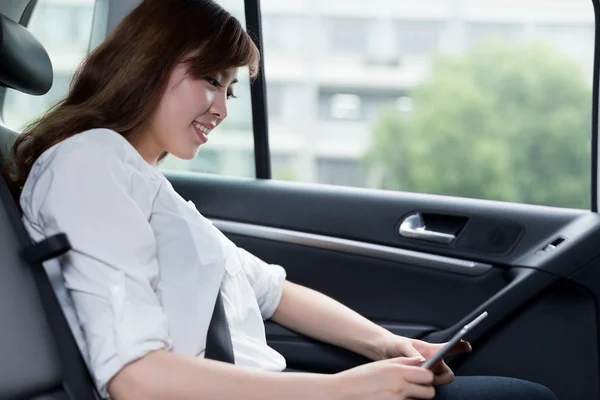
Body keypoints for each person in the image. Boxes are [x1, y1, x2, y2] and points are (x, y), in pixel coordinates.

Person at [2, 0, 558, 399]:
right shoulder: (89, 162)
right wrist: (338, 391)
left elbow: (274, 291)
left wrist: (387, 346)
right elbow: (135, 378)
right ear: (147, 65)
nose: (221, 108)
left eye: (230, 90)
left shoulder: (149, 187)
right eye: (211, 80)